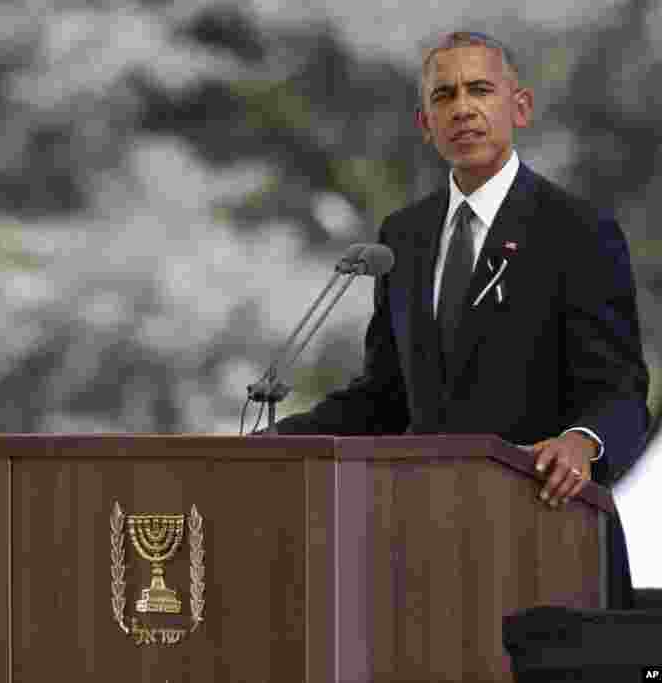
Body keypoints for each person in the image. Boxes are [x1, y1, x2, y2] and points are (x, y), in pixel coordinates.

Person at [271, 31, 650, 607]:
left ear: (519, 107)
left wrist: (582, 441)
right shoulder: (404, 236)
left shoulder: (577, 230)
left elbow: (621, 392)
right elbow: (385, 398)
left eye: (480, 90)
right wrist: (275, 442)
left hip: (547, 534)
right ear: (425, 123)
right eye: (444, 95)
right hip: (427, 545)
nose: (463, 108)